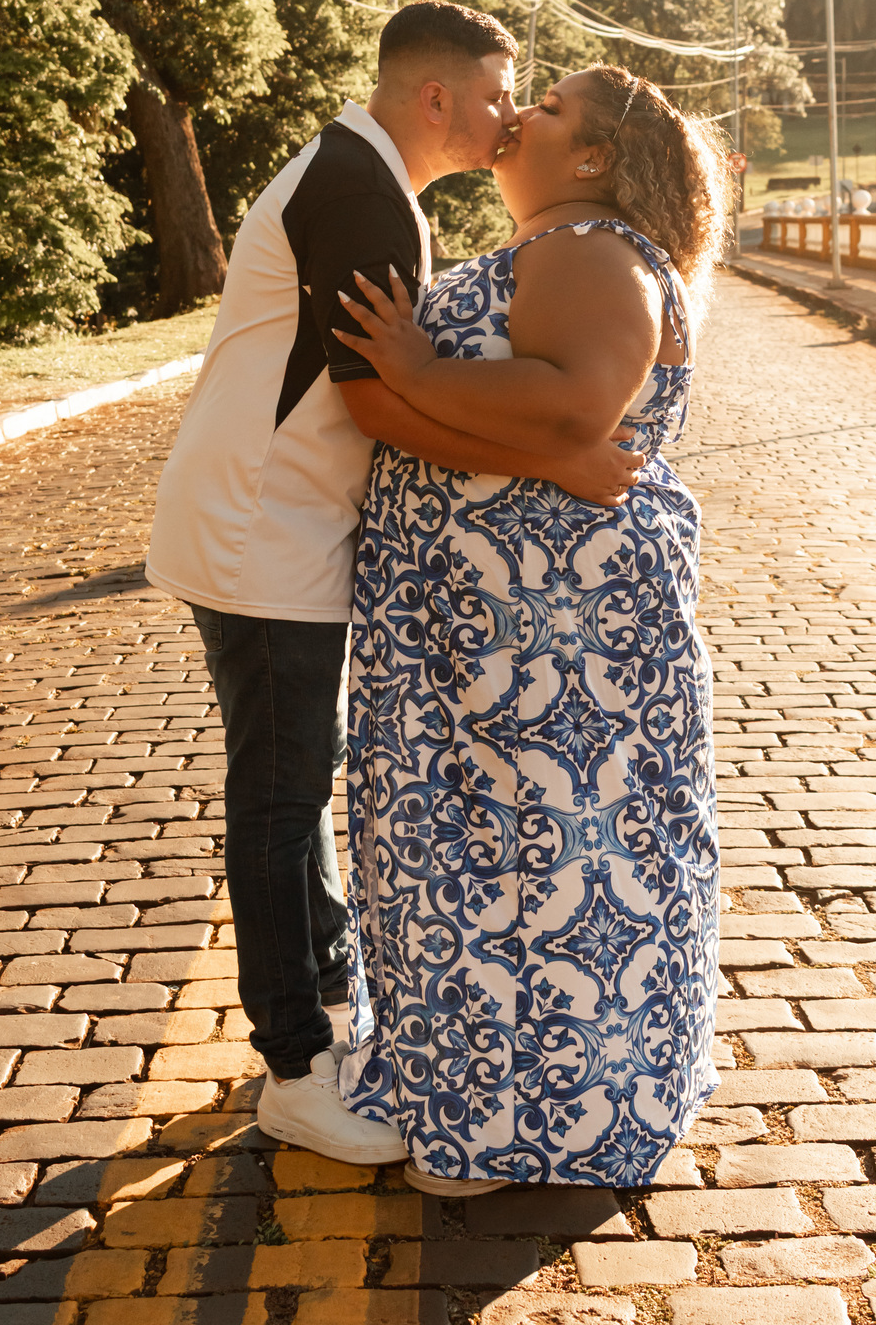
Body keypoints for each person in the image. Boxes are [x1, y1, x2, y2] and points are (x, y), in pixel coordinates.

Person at [145, 5, 644, 1165]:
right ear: (439, 98)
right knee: (278, 794)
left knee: (300, 781)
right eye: (500, 88)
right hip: (261, 530)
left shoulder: (368, 179)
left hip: (288, 526)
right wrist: (559, 455)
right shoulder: (364, 194)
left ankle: (325, 1007)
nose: (511, 112)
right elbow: (379, 400)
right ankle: (293, 1067)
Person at [331, 63, 727, 1191]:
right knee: (486, 846)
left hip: (549, 635)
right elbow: (548, 436)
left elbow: (571, 404)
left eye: (549, 109)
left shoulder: (587, 248)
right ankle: (491, 1098)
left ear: (596, 157)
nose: (521, 117)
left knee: (538, 852)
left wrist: (411, 367)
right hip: (495, 621)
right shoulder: (551, 250)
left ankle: (523, 1126)